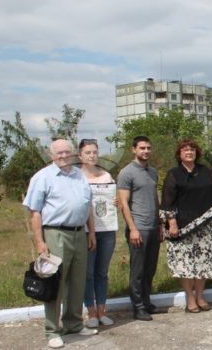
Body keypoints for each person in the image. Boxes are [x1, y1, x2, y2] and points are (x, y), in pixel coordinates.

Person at [23, 139, 98, 349]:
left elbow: (87, 206)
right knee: (54, 283)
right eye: (59, 153)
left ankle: (73, 324)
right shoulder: (43, 177)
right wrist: (40, 242)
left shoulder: (79, 175)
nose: (64, 156)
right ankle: (52, 330)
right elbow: (35, 212)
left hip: (79, 234)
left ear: (73, 154)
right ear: (51, 155)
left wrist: (91, 232)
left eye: (67, 152)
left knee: (77, 282)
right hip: (55, 234)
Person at [161, 139, 212, 313]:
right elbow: (168, 201)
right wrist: (172, 223)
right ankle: (189, 297)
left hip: (205, 226)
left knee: (203, 263)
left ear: (196, 153)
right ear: (179, 154)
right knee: (185, 264)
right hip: (182, 228)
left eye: (191, 149)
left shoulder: (205, 171)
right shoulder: (174, 174)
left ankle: (200, 296)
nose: (189, 152)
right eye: (185, 150)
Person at [118, 136, 162, 321]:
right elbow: (123, 203)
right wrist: (133, 228)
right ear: (133, 150)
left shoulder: (152, 172)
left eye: (148, 148)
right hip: (139, 228)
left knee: (150, 269)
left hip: (153, 227)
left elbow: (155, 200)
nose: (146, 151)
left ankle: (146, 301)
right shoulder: (126, 173)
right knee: (137, 270)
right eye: (142, 148)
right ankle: (137, 307)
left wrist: (160, 225)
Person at [79, 139, 117, 328]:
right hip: (85, 232)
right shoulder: (76, 177)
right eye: (88, 152)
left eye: (94, 152)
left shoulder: (107, 176)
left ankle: (102, 312)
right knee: (88, 273)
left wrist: (116, 202)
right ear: (80, 156)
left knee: (102, 272)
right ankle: (91, 312)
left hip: (107, 230)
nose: (92, 155)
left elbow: (112, 200)